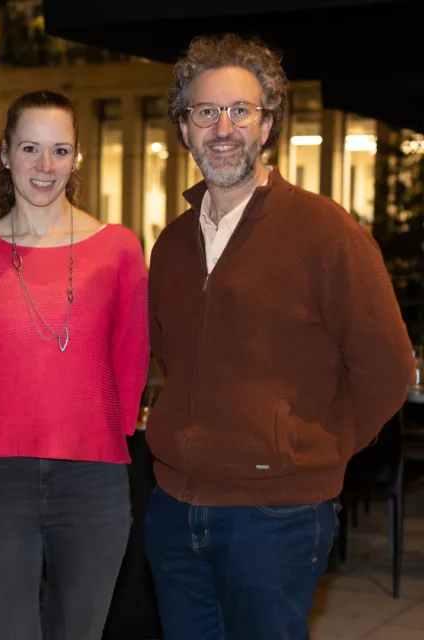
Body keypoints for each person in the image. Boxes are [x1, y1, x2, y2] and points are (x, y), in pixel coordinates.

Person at [145, 34, 415, 640]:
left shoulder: (326, 233)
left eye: (241, 111)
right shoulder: (171, 244)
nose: (223, 128)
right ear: (184, 128)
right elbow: (171, 357)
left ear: (266, 125)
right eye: (205, 112)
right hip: (174, 507)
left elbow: (388, 368)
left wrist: (309, 447)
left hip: (276, 514)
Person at [0, 90, 149, 640]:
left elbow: (131, 358)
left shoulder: (119, 250)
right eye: (30, 148)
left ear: (78, 157)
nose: (45, 166)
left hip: (93, 476)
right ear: (6, 154)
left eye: (60, 150)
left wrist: (108, 431)